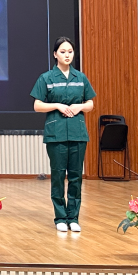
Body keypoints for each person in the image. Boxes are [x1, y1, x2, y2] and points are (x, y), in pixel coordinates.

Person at [30, 37, 96, 233]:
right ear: (55, 54)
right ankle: (60, 217)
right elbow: (37, 105)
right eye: (63, 51)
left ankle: (73, 217)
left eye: (70, 51)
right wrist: (57, 105)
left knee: (76, 177)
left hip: (78, 133)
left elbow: (90, 104)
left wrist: (80, 107)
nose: (67, 55)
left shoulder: (80, 77)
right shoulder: (46, 78)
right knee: (58, 176)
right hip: (56, 134)